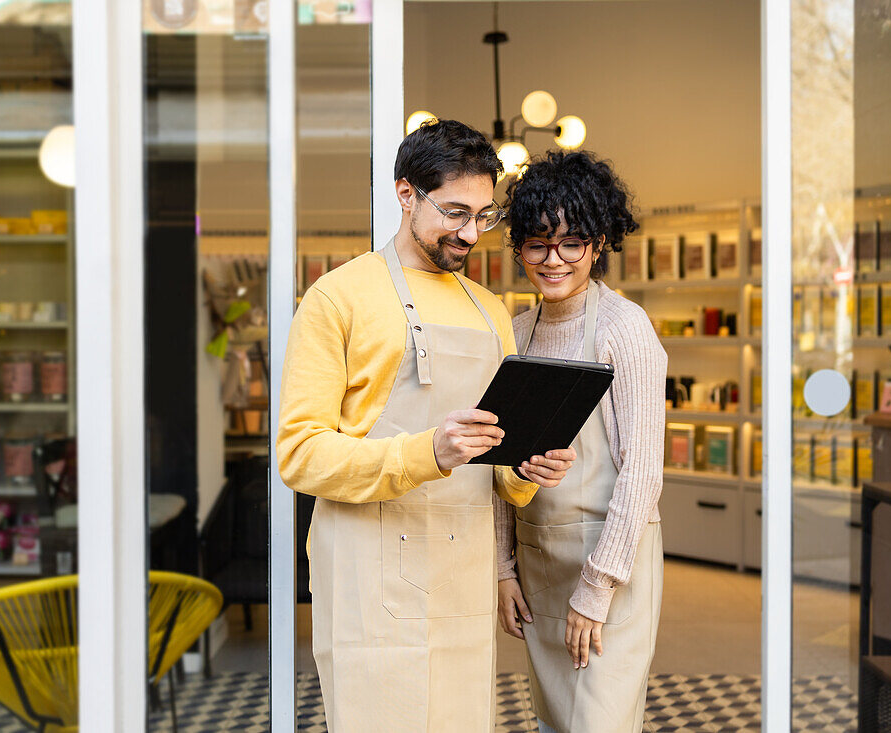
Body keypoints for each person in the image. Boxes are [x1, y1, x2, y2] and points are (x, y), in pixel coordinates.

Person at [276, 119, 577, 732]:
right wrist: (426, 452)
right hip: (369, 583)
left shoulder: (489, 309)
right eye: (456, 212)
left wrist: (526, 471)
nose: (471, 233)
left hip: (460, 581)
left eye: (484, 216)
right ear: (405, 193)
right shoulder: (337, 298)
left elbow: (497, 472)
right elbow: (299, 455)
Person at [494, 150, 667, 733]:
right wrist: (501, 568)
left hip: (609, 566)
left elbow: (643, 472)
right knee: (554, 722)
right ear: (519, 246)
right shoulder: (515, 332)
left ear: (597, 244)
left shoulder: (625, 329)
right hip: (539, 566)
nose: (554, 259)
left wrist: (596, 589)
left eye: (571, 242)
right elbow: (495, 463)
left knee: (600, 722)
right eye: (538, 243)